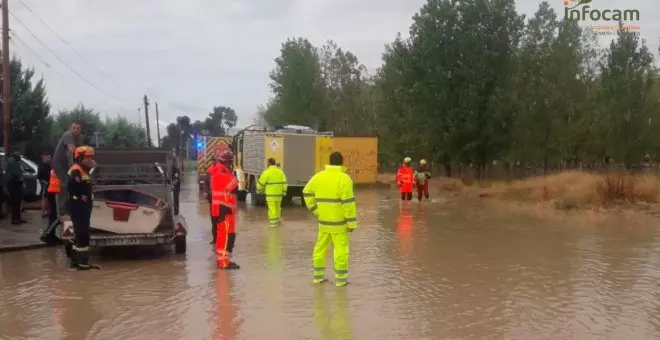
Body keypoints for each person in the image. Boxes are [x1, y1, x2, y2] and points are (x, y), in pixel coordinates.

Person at [303, 152, 357, 287]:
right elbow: (348, 203)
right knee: (340, 250)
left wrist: (316, 210)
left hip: (323, 222)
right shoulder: (344, 179)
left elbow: (306, 192)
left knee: (320, 248)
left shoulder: (318, 177)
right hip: (339, 224)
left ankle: (318, 277)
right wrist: (351, 223)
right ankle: (341, 280)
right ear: (342, 162)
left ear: (329, 161)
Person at [67, 146, 100, 270]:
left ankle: (75, 263)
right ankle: (83, 264)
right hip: (78, 206)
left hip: (82, 206)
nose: (90, 159)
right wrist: (81, 196)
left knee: (79, 235)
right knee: (83, 234)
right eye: (88, 157)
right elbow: (71, 183)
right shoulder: (76, 170)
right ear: (80, 157)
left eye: (91, 157)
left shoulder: (83, 170)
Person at [210, 148, 240, 270]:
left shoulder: (216, 172)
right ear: (227, 162)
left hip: (221, 208)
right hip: (224, 208)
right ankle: (223, 263)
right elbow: (235, 186)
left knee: (224, 235)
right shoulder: (222, 173)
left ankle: (224, 261)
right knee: (225, 236)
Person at [52, 121, 84, 218]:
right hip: (60, 165)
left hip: (67, 165)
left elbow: (79, 151)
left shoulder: (80, 137)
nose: (75, 130)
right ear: (70, 128)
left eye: (78, 129)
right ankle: (63, 210)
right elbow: (73, 150)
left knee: (71, 184)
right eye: (74, 128)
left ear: (80, 130)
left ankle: (71, 207)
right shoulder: (67, 135)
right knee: (65, 185)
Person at [256, 158, 288, 227]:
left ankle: (273, 223)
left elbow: (261, 183)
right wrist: (284, 192)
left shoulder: (266, 172)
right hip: (279, 195)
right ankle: (278, 220)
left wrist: (258, 190)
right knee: (278, 208)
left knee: (272, 209)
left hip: (270, 195)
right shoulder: (280, 172)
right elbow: (284, 183)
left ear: (269, 163)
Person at [5, 152, 26, 224]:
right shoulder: (13, 162)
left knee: (17, 202)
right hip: (14, 184)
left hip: (14, 184)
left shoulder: (12, 161)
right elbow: (17, 173)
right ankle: (15, 219)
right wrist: (21, 176)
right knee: (16, 202)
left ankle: (17, 218)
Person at [37, 151, 52, 217]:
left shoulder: (49, 165)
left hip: (50, 184)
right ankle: (43, 212)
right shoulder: (41, 166)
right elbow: (38, 176)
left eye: (50, 157)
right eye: (48, 157)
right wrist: (44, 182)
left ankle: (48, 211)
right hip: (44, 184)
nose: (49, 158)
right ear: (44, 158)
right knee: (44, 198)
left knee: (48, 198)